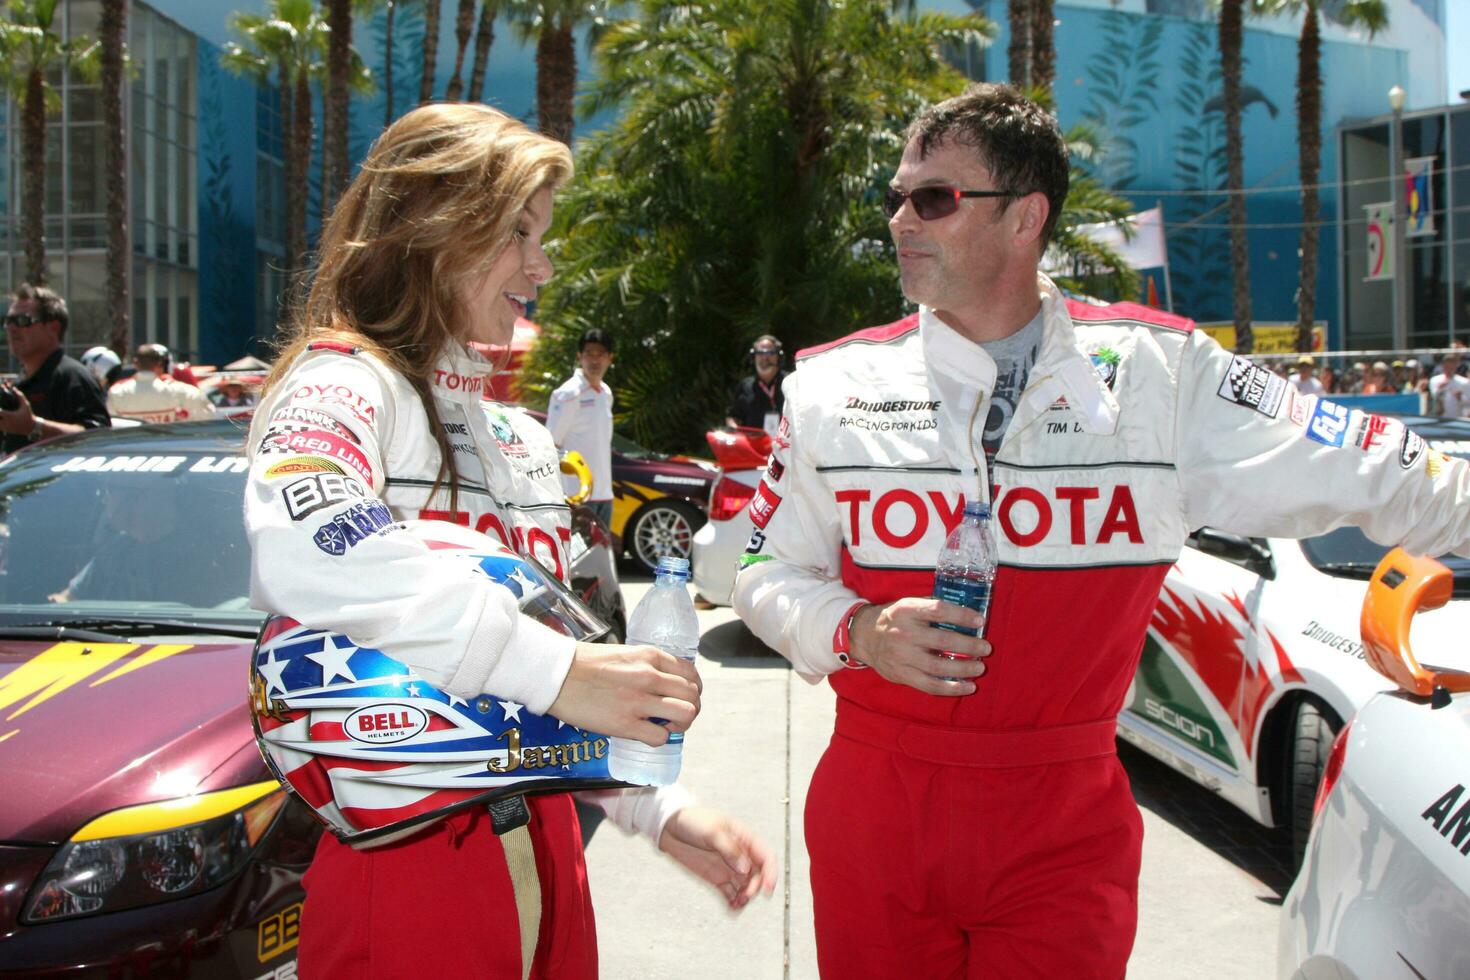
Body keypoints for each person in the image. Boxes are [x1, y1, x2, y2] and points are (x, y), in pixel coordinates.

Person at [731, 82, 1470, 979]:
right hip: (876, 801)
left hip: (1061, 818)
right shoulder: (831, 386)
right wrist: (857, 632)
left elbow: (1376, 465)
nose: (900, 222)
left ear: (1026, 217)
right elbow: (760, 572)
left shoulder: (1166, 375)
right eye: (896, 197)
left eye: (934, 198)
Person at [244, 103, 774, 979]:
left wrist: (655, 809)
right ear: (435, 229)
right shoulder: (343, 381)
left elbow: (545, 689)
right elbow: (309, 538)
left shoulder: (519, 437)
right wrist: (562, 673)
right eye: (519, 232)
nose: (543, 263)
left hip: (552, 857)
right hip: (408, 871)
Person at [0, 283, 110, 454]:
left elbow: (99, 438)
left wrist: (33, 426)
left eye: (22, 321)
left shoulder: (72, 377)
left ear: (53, 328)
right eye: (8, 321)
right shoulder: (22, 382)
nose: (12, 328)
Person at [545, 328, 615, 527]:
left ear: (609, 358)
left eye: (600, 354)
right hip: (576, 495)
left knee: (601, 557)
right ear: (579, 357)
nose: (595, 361)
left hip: (604, 495)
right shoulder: (567, 394)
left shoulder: (606, 393)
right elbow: (550, 447)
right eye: (589, 354)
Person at [107, 343, 217, 423]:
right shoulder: (178, 390)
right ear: (160, 364)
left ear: (136, 363)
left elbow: (108, 424)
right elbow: (208, 414)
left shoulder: (117, 392)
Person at [725, 334, 789, 435]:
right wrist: (735, 431)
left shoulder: (791, 382)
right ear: (753, 357)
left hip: (786, 447)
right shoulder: (745, 386)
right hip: (754, 448)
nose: (764, 357)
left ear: (779, 356)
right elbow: (733, 417)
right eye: (760, 353)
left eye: (770, 353)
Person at [1429, 353, 1470, 417]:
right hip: (1440, 419)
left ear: (1455, 367)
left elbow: (1468, 403)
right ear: (1442, 366)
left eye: (1451, 367)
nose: (1448, 370)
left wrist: (1460, 397)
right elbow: (1434, 397)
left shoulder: (1464, 382)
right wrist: (1439, 389)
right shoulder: (1435, 380)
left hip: (1457, 419)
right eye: (1446, 367)